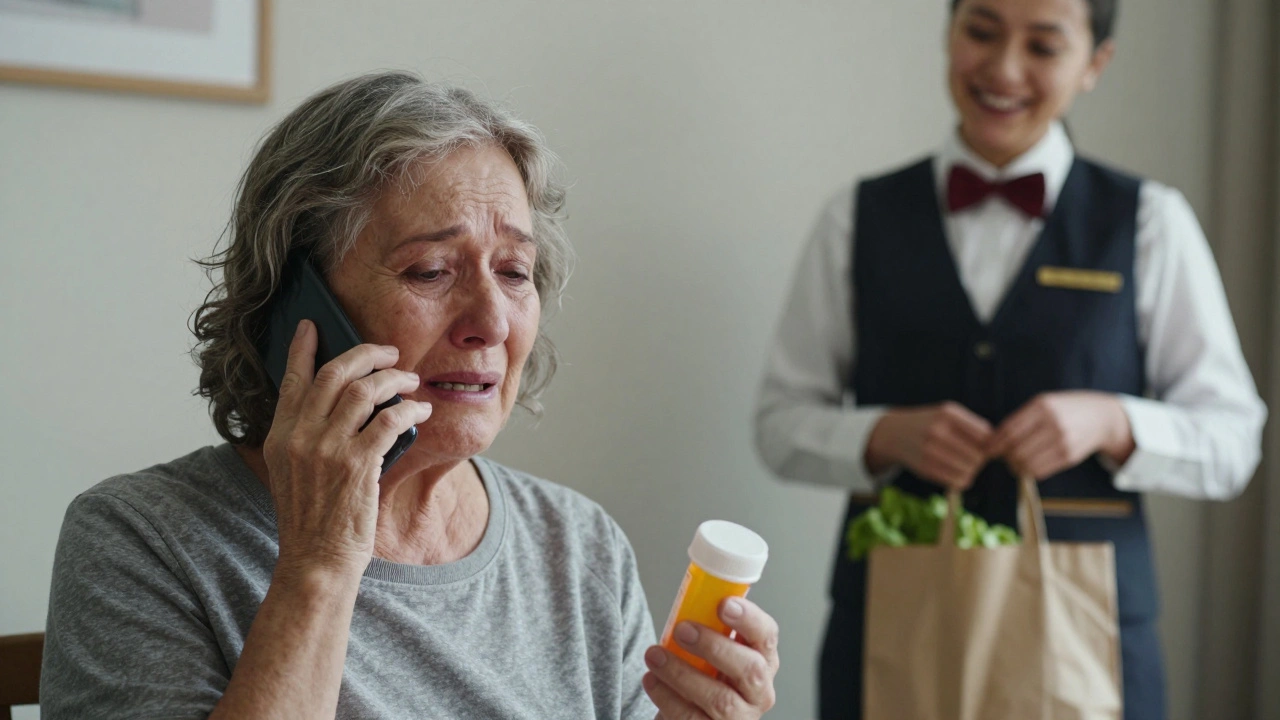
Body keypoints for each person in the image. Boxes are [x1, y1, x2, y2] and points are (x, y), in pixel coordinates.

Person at [41, 71, 780, 719]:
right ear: (298, 309)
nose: (491, 320)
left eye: (515, 272)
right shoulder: (140, 540)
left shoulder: (579, 546)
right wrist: (321, 563)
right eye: (430, 271)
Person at [753, 1, 1265, 719]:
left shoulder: (1151, 221)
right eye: (982, 32)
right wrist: (883, 434)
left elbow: (1234, 440)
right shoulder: (856, 216)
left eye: (1044, 45)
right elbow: (779, 424)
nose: (1003, 69)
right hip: (894, 623)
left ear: (1095, 64)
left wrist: (1112, 421)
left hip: (1094, 639)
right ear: (949, 33)